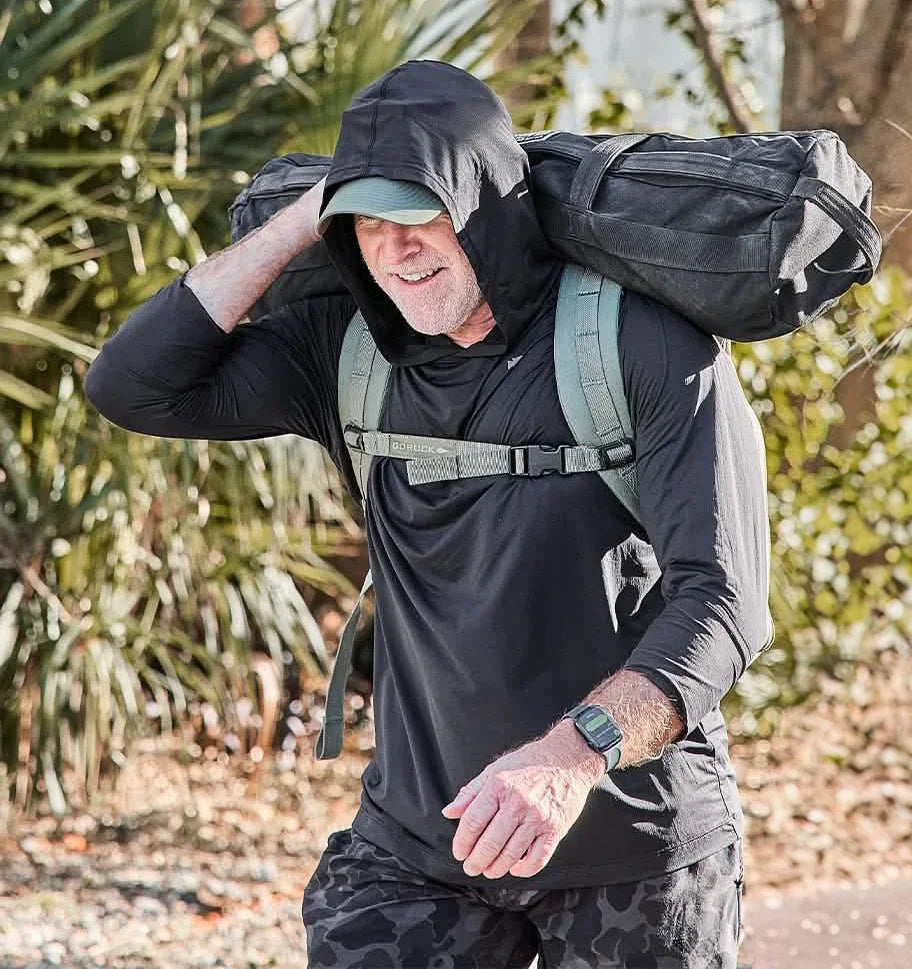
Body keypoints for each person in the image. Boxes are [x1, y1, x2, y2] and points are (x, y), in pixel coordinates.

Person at [84, 59, 772, 969]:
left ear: (487, 211)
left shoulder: (641, 342)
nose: (398, 251)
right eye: (369, 227)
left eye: (422, 218)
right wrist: (303, 221)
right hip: (422, 839)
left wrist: (568, 758)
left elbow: (721, 608)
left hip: (633, 845)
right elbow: (133, 387)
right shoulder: (347, 352)